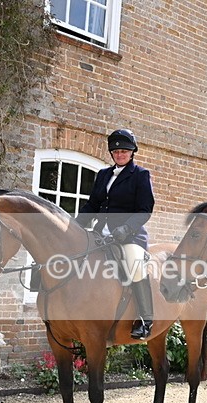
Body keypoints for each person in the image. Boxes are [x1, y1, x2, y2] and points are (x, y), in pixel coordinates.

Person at [75, 129, 156, 340]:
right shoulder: (103, 175)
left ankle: (145, 320)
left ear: (132, 153)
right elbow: (93, 204)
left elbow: (145, 209)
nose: (120, 154)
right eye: (116, 151)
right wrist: (73, 225)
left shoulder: (140, 175)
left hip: (130, 235)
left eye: (124, 151)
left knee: (134, 263)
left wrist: (126, 229)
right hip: (101, 232)